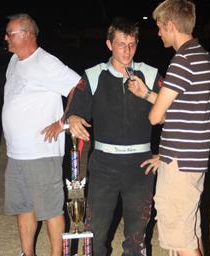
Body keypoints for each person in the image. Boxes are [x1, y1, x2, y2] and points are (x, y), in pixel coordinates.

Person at [66, 17, 163, 255]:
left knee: (136, 238)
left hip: (141, 166)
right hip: (103, 166)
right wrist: (73, 118)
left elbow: (175, 116)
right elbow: (74, 109)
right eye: (121, 44)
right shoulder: (93, 75)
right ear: (109, 44)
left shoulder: (150, 75)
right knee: (95, 233)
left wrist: (165, 153)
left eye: (132, 44)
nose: (127, 50)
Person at [128, 0, 210, 255]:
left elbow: (156, 118)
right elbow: (184, 112)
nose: (158, 33)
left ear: (170, 25)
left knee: (181, 242)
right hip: (194, 160)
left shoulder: (182, 61)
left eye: (160, 27)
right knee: (191, 233)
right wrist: (147, 94)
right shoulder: (204, 58)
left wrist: (170, 157)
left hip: (180, 165)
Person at [2, 13, 82, 256]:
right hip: (17, 154)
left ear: (26, 35)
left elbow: (78, 87)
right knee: (24, 207)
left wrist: (63, 122)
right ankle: (28, 253)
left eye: (10, 34)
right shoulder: (15, 61)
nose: (5, 38)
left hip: (42, 152)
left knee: (50, 210)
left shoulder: (45, 62)